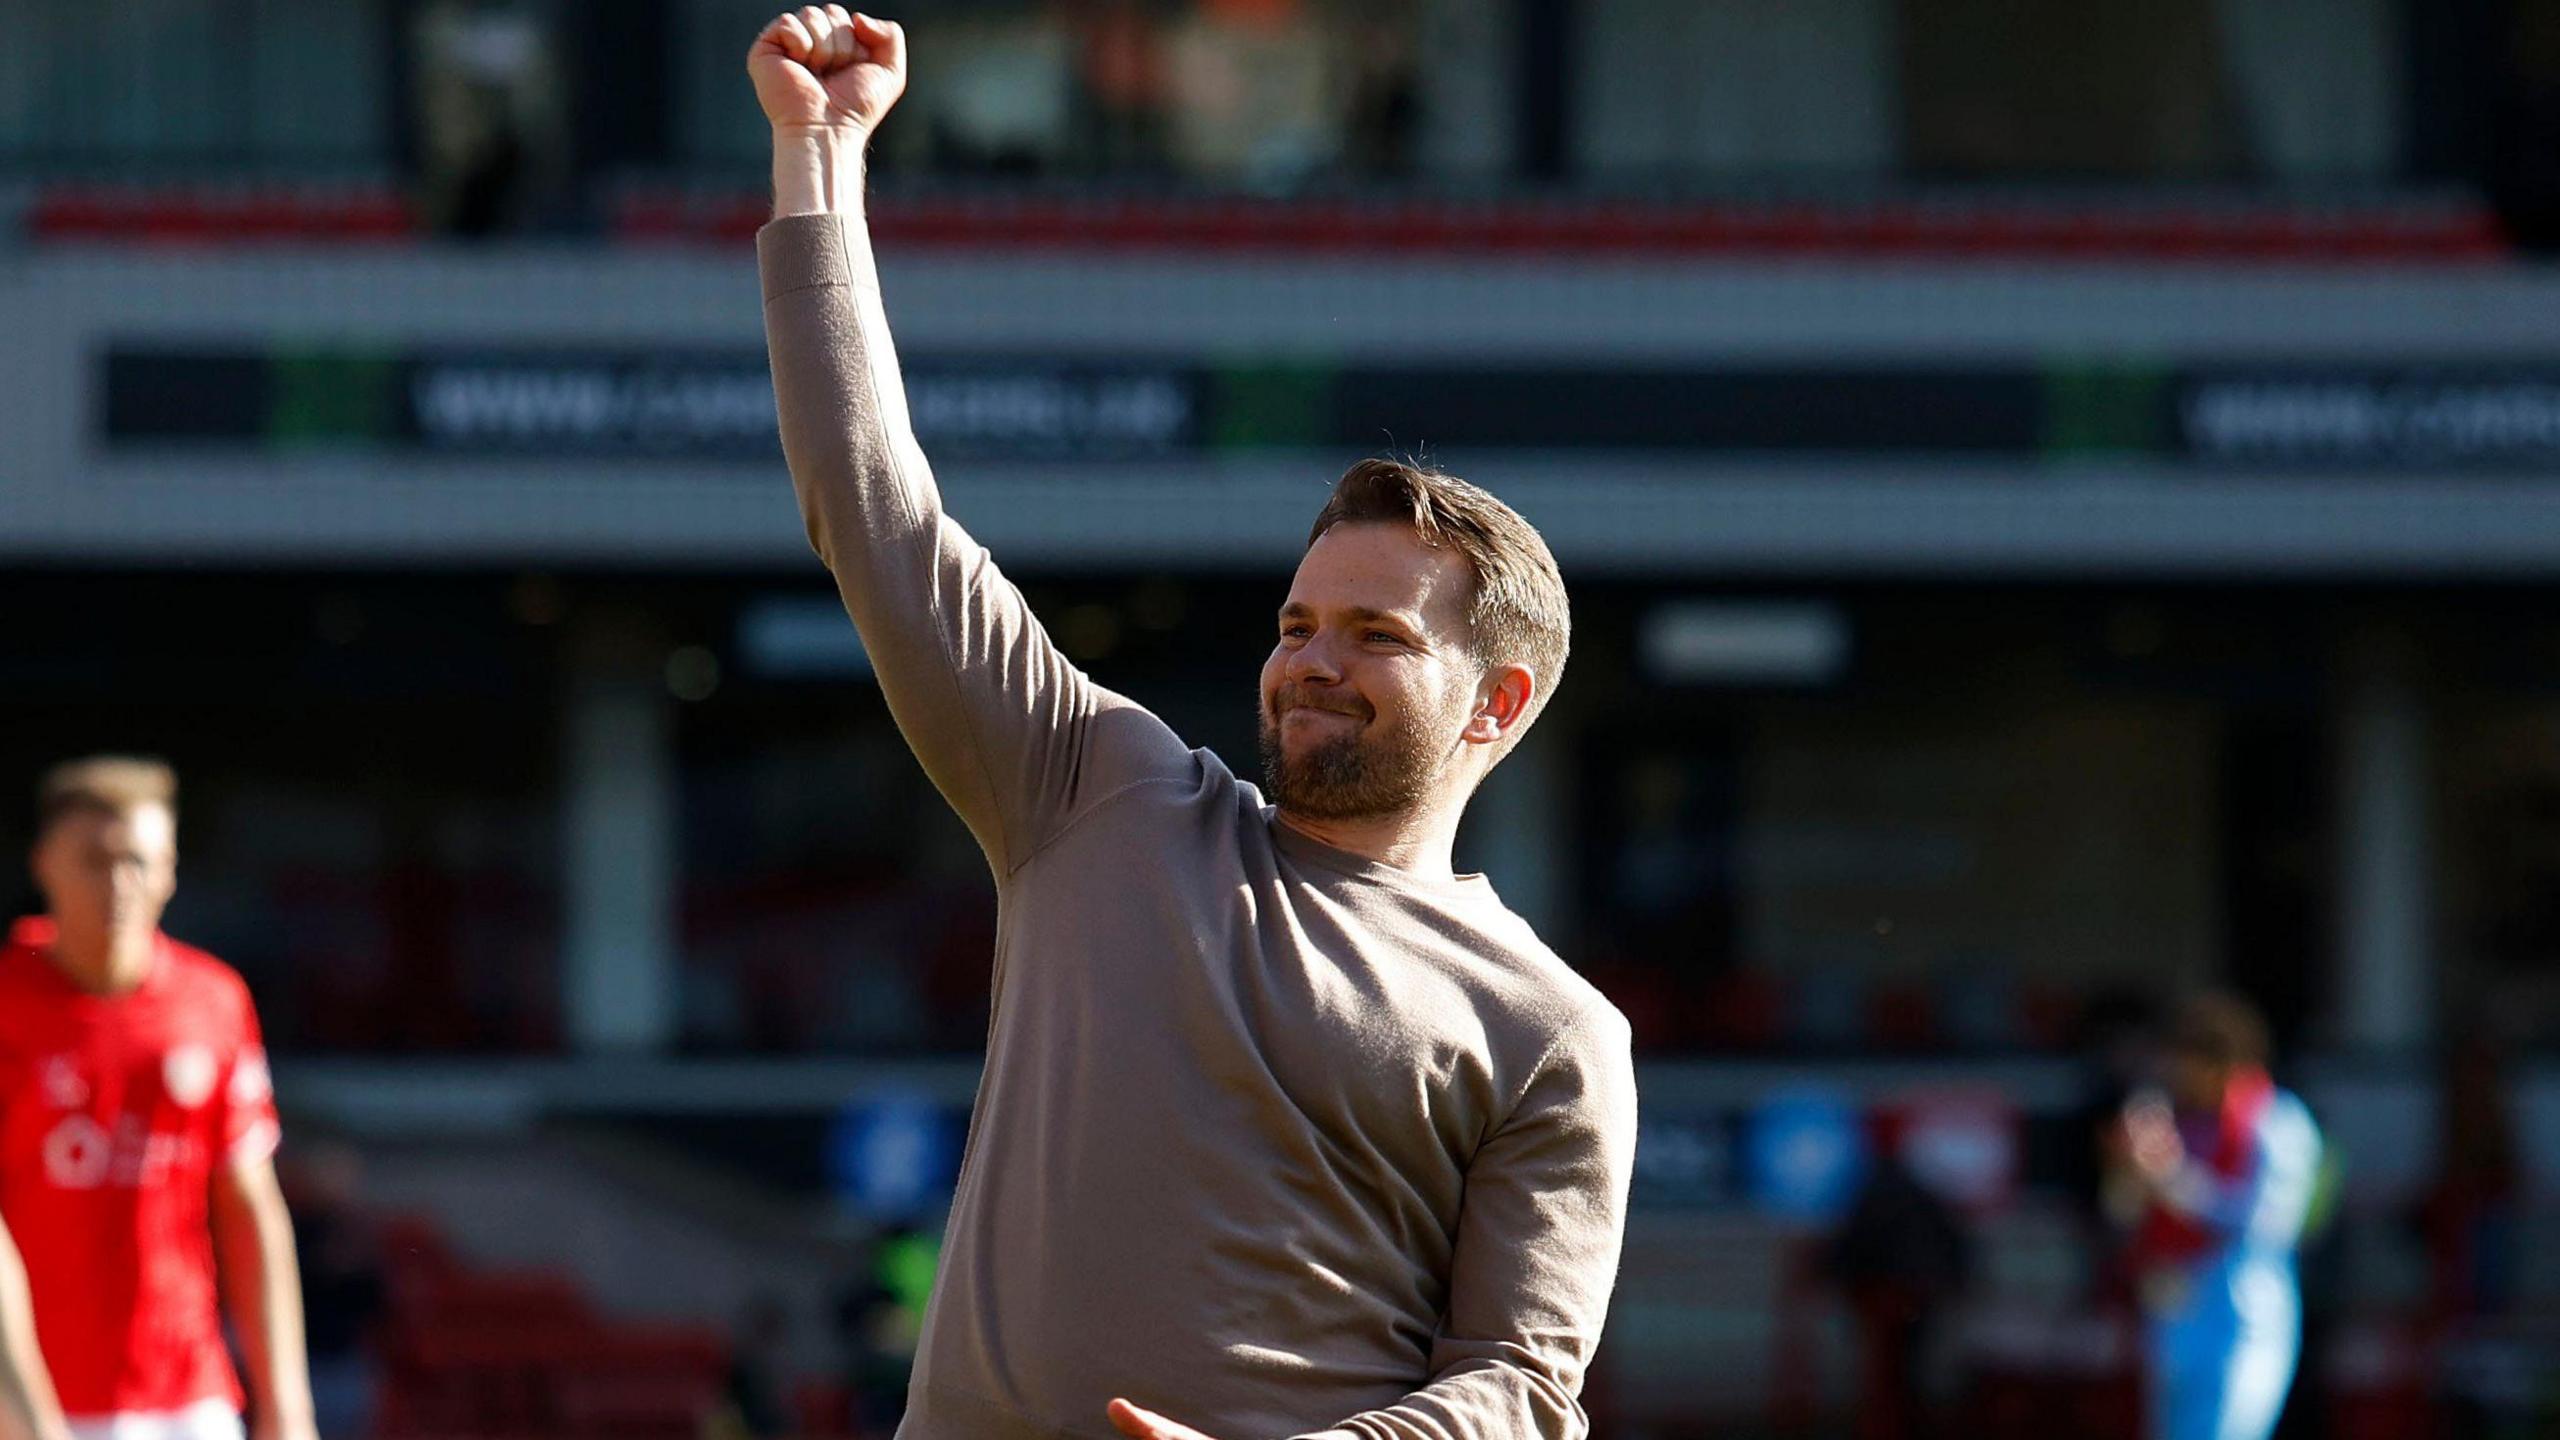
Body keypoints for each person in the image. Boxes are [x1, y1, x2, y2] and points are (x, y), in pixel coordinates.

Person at [745, 11, 1639, 1440]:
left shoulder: (1552, 1034)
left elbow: (1523, 1392)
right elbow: (876, 513)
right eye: (1296, 625)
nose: (1311, 662)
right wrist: (821, 162)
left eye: (1376, 635)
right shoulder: (1098, 788)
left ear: (1502, 701)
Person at [0, 758, 319, 1440]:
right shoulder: (6, 1007)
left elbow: (249, 1203)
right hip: (33, 1404)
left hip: (186, 1397)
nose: (118, 883)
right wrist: (27, 1420)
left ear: (171, 869)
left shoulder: (214, 1001)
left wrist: (287, 1405)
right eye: (93, 859)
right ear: (42, 864)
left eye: (138, 860)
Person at [2115, 992, 2322, 1440]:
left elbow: (2268, 1225)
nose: (2174, 1077)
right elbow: (2129, 1216)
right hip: (2175, 1306)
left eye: (2183, 1062)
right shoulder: (2184, 1124)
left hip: (2244, 1309)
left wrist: (2171, 1178)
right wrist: (2133, 1171)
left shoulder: (2277, 1123)